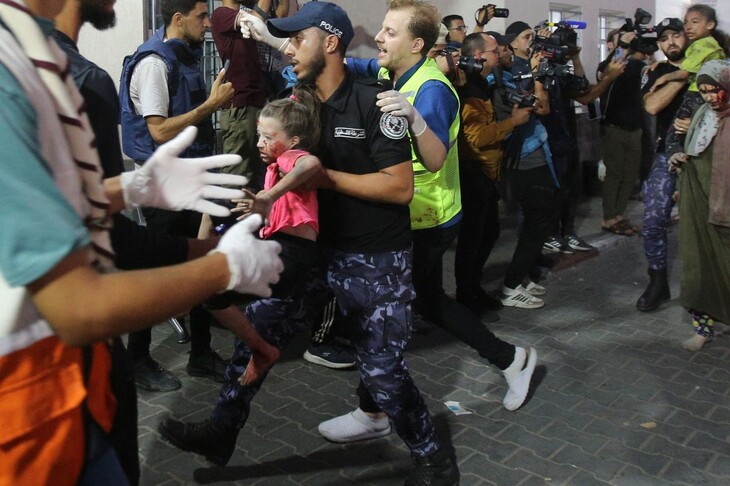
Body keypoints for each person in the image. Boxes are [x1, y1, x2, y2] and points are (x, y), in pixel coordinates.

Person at [157, 3, 460, 483]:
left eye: (298, 40)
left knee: (381, 369)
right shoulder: (298, 100)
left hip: (374, 257)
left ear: (331, 44)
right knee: (258, 336)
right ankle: (221, 429)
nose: (289, 49)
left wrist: (323, 179)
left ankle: (431, 454)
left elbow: (399, 188)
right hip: (314, 250)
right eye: (287, 41)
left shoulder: (375, 101)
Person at [0, 1, 283, 483]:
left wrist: (125, 189)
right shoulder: (13, 69)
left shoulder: (32, 52)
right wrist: (222, 267)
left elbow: (39, 206)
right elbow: (79, 309)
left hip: (67, 395)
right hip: (32, 427)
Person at [119, 0, 235, 391]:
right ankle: (137, 359)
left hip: (191, 181)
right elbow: (160, 131)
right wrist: (210, 106)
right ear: (178, 19)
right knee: (157, 275)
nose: (207, 24)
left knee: (200, 265)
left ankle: (201, 354)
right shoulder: (155, 64)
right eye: (202, 17)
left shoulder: (181, 57)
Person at [204, 87, 324, 387]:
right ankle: (259, 349)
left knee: (213, 290)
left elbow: (311, 164)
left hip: (292, 254)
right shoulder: (274, 165)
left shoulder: (292, 157)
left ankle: (260, 351)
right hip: (280, 250)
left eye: (268, 138)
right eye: (259, 136)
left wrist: (268, 196)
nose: (260, 143)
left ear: (292, 141)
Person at [666, 60, 730, 352]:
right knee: (696, 266)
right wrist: (679, 157)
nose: (709, 97)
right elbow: (689, 146)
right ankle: (703, 328)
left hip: (726, 205)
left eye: (715, 90)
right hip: (698, 201)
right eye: (703, 91)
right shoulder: (703, 114)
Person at [496, 20, 555, 309]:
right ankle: (510, 286)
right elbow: (540, 107)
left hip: (536, 155)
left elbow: (544, 107)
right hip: (523, 161)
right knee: (536, 222)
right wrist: (534, 76)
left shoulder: (520, 73)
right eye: (526, 37)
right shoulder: (506, 79)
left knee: (541, 221)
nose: (531, 42)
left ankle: (521, 278)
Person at [636, 18, 689, 312]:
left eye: (676, 35)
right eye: (664, 38)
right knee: (654, 219)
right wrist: (681, 77)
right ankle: (658, 281)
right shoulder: (656, 71)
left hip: (705, 155)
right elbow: (653, 106)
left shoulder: (711, 63)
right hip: (665, 153)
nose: (671, 42)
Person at [210, 0, 269, 187]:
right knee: (235, 179)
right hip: (240, 106)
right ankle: (224, 216)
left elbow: (277, 14)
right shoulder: (221, 14)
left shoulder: (244, 14)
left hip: (254, 101)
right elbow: (256, 20)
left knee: (256, 176)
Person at [597, 29, 649, 236]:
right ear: (612, 45)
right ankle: (609, 217)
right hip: (614, 128)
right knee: (615, 174)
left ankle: (619, 215)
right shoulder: (613, 65)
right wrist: (623, 48)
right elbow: (606, 71)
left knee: (629, 176)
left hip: (635, 129)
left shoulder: (638, 66)